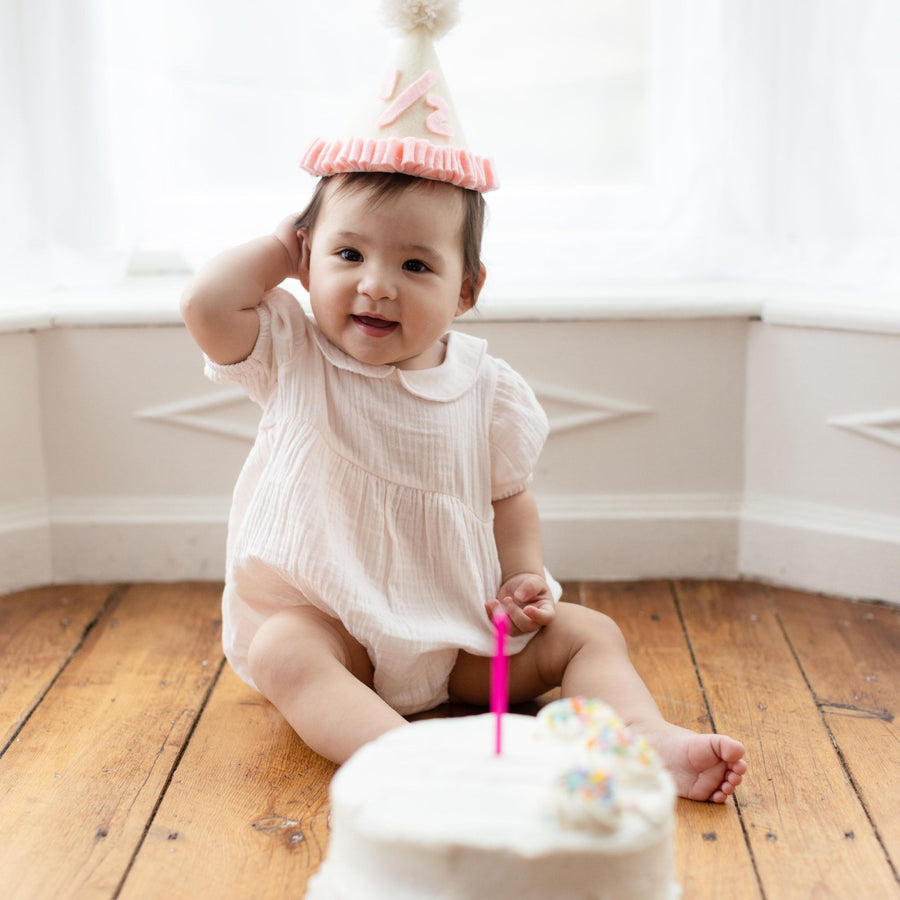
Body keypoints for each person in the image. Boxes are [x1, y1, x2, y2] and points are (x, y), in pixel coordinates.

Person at [180, 169, 747, 802]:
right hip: (340, 636)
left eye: (415, 265)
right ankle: (412, 761)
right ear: (309, 259)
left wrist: (521, 575)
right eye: (349, 254)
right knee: (282, 649)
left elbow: (509, 497)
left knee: (589, 633)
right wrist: (281, 252)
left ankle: (641, 738)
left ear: (466, 290)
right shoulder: (294, 355)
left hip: (461, 638)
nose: (376, 285)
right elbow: (205, 305)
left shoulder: (488, 390)